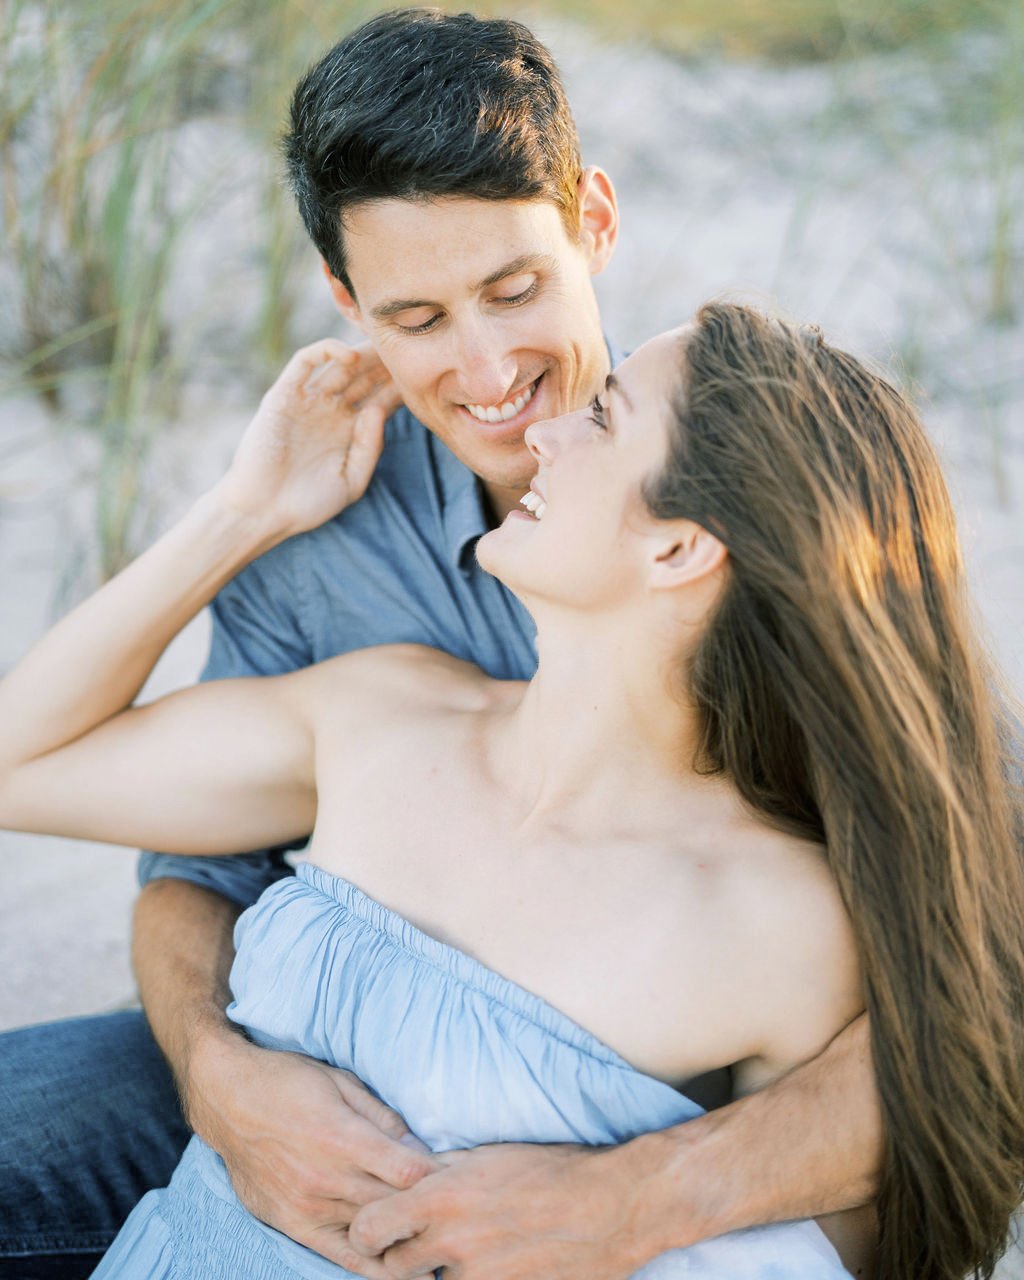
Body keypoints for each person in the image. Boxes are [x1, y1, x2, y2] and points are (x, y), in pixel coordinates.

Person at [0, 10, 951, 1280]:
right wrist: (222, 1077)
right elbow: (188, 867)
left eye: (516, 290)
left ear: (593, 222)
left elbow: (968, 989)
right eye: (420, 317)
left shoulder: (734, 463)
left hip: (607, 1127)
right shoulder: (342, 574)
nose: (497, 375)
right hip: (299, 1073)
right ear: (349, 304)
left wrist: (630, 1198)